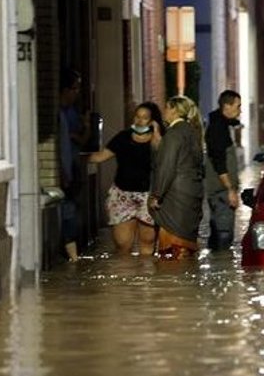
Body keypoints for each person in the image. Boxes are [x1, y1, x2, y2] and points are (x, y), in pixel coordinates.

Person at [89, 102, 163, 256]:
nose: (139, 121)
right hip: (123, 194)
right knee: (122, 244)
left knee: (147, 242)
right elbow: (101, 156)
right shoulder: (123, 137)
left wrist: (157, 135)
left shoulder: (157, 141)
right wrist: (74, 157)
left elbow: (165, 161)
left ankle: (147, 278)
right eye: (137, 116)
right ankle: (125, 276)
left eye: (144, 118)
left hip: (147, 196)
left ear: (151, 121)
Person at [148, 96, 205, 260]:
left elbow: (167, 167)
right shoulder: (193, 132)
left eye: (166, 108)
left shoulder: (174, 134)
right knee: (186, 250)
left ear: (174, 110)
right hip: (192, 194)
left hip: (175, 198)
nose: (164, 112)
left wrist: (156, 195)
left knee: (172, 253)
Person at [204, 90, 242, 251]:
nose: (240, 110)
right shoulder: (218, 129)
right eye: (237, 106)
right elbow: (219, 162)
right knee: (223, 234)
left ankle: (217, 264)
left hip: (219, 191)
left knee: (218, 232)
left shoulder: (221, 124)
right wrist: (230, 189)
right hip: (221, 191)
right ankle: (221, 263)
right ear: (226, 106)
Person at [58, 69, 90, 262]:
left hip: (73, 168)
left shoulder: (71, 113)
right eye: (74, 88)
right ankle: (72, 256)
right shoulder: (59, 113)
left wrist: (85, 127)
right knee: (68, 212)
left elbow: (82, 139)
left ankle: (73, 256)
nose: (77, 92)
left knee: (72, 211)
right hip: (65, 169)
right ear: (65, 89)